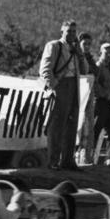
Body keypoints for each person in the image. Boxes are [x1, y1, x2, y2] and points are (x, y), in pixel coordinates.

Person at [39, 19, 87, 170]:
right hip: (61, 86)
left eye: (74, 32)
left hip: (74, 86)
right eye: (69, 31)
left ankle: (68, 160)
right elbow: (45, 70)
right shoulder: (54, 46)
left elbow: (85, 70)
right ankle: (53, 160)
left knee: (71, 124)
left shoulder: (75, 50)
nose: (72, 34)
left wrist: (80, 54)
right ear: (62, 32)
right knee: (57, 126)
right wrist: (53, 87)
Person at [90, 41, 110, 166]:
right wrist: (104, 93)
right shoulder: (98, 67)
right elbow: (95, 84)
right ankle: (89, 157)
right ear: (100, 53)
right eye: (106, 52)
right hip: (100, 102)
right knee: (96, 130)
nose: (109, 54)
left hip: (109, 102)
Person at [75, 32, 99, 163]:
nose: (87, 47)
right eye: (85, 44)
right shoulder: (76, 57)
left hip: (89, 95)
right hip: (78, 95)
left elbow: (95, 73)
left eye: (89, 44)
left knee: (88, 126)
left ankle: (86, 157)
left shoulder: (90, 58)